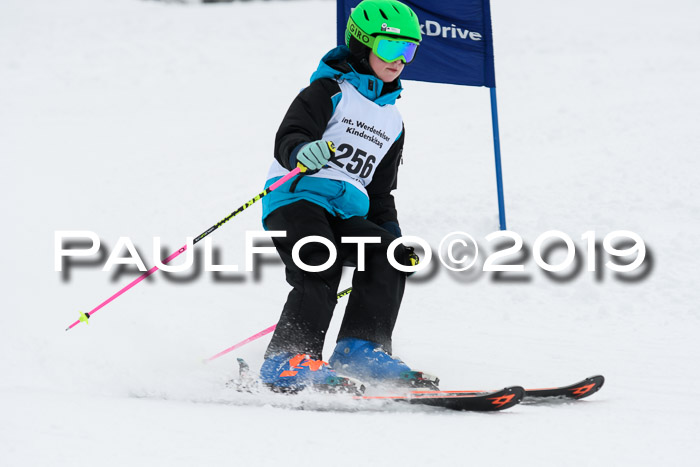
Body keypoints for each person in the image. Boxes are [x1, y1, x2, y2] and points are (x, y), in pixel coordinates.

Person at [259, 0, 433, 392]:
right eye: (390, 48)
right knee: (321, 262)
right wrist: (302, 151)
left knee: (386, 255)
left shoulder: (392, 120)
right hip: (299, 198)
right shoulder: (328, 91)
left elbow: (380, 191)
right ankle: (287, 360)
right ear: (361, 44)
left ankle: (360, 348)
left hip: (347, 208)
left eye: (409, 50)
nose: (400, 59)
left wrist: (394, 235)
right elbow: (290, 134)